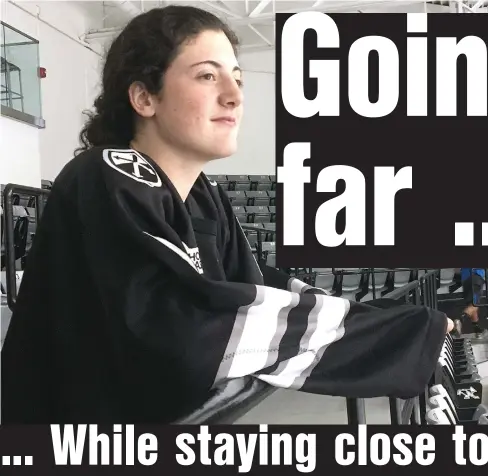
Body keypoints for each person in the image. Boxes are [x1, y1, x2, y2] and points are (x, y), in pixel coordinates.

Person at [1, 6, 452, 424]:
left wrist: (388, 320)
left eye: (237, 78)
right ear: (144, 97)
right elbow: (184, 336)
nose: (234, 96)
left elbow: (255, 289)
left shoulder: (202, 194)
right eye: (206, 77)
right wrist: (397, 333)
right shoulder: (105, 174)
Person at [452, 268, 484, 337]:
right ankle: (459, 320)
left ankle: (476, 328)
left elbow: (456, 269)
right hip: (476, 276)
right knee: (474, 305)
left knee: (472, 305)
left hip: (465, 279)